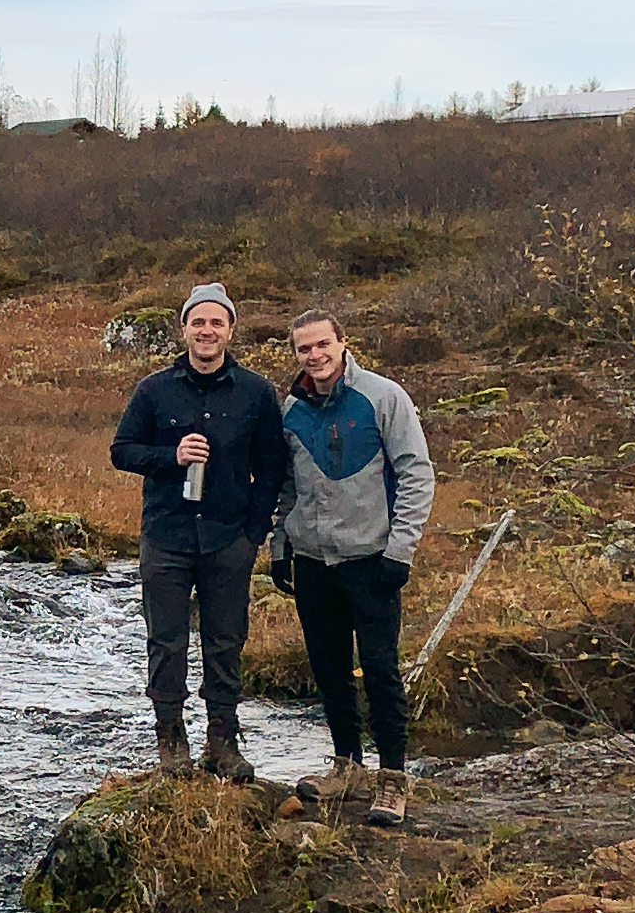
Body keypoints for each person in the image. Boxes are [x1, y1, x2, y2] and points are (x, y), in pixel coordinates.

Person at [110, 282, 286, 780]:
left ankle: (222, 743)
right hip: (166, 536)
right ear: (184, 328)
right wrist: (171, 457)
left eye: (217, 322)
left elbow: (272, 468)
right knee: (166, 643)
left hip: (229, 539)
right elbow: (122, 450)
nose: (207, 331)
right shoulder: (154, 390)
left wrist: (253, 532)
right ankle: (171, 742)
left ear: (230, 330)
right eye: (198, 322)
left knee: (225, 641)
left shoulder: (256, 393)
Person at [268, 308, 436, 827]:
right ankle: (346, 764)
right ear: (294, 353)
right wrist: (280, 546)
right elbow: (286, 486)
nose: (314, 356)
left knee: (382, 670)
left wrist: (400, 551)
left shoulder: (384, 398)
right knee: (329, 667)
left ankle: (392, 778)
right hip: (314, 563)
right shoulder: (290, 409)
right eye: (304, 349)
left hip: (373, 561)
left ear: (343, 342)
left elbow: (417, 475)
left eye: (322, 344)